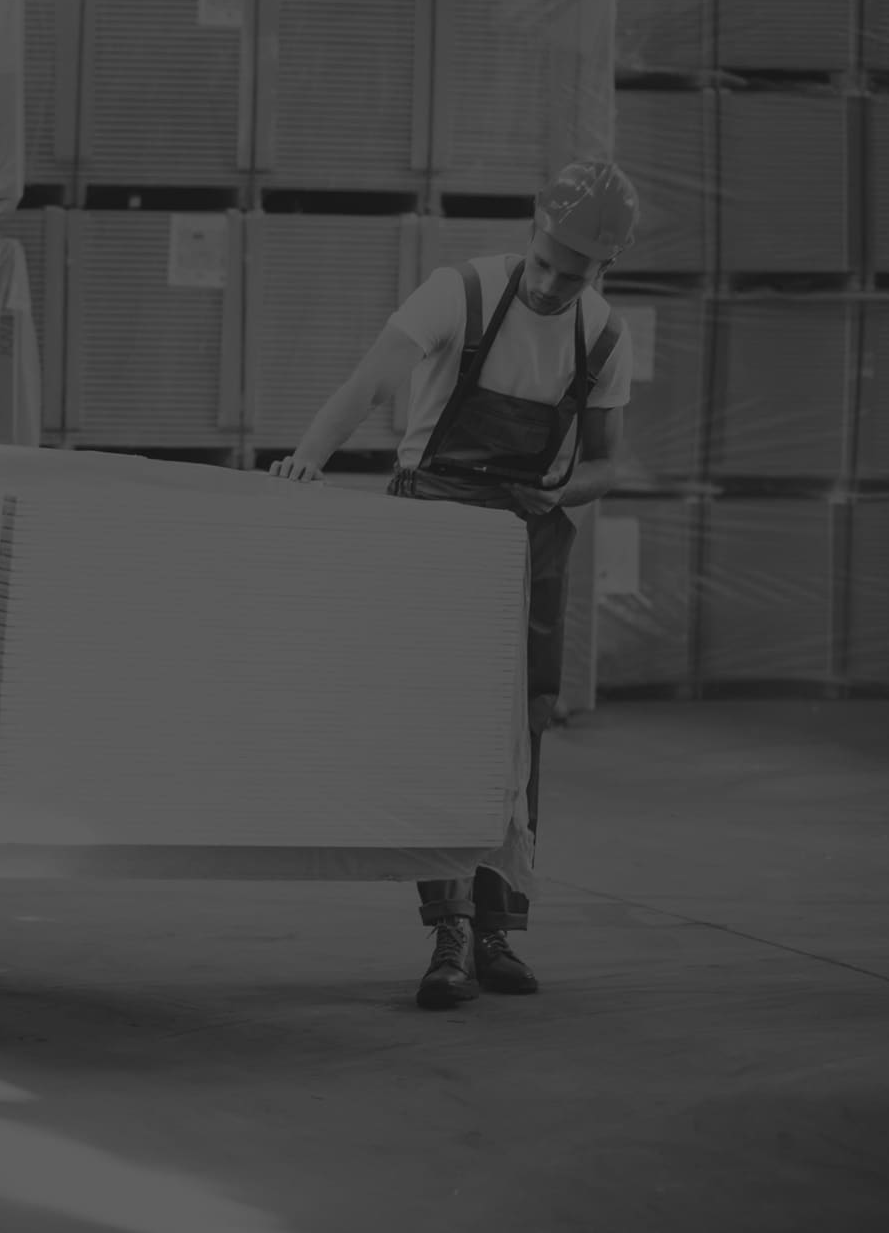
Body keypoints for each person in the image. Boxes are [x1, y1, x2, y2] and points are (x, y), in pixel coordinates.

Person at [268, 161, 641, 1011]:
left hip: (525, 536)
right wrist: (306, 463)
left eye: (572, 273)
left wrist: (559, 491)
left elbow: (612, 462)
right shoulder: (460, 292)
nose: (550, 283)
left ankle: (499, 927)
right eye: (544, 259)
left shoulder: (604, 336)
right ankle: (449, 932)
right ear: (533, 233)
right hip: (431, 528)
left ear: (602, 270)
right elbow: (370, 383)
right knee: (434, 732)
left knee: (518, 739)